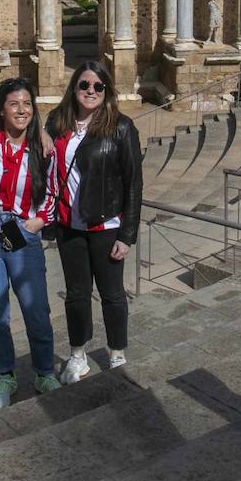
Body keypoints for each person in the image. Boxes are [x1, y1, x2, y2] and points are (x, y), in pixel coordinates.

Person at [44, 61, 142, 384]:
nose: (90, 91)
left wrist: (127, 235)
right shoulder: (57, 124)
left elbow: (133, 184)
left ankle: (116, 354)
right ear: (74, 87)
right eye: (84, 85)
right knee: (76, 294)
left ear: (106, 91)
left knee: (112, 293)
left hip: (106, 226)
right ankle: (78, 355)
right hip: (68, 226)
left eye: (98, 86)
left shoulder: (122, 127)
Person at [0, 76, 62, 408]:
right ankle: (6, 375)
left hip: (23, 232)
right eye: (13, 103)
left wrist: (35, 224)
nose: (21, 110)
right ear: (0, 110)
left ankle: (43, 371)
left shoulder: (42, 148)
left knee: (35, 308)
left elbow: (52, 193)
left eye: (27, 103)